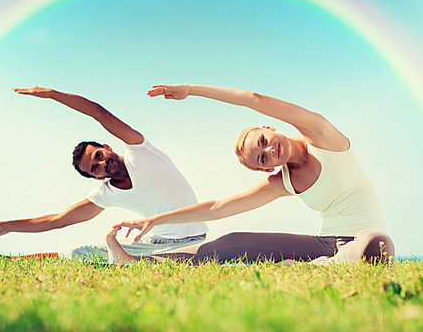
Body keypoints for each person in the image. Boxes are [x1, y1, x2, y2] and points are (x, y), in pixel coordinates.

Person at [111, 84, 395, 265]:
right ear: (266, 169)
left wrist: (190, 89)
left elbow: (254, 98)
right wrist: (153, 220)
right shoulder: (283, 181)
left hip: (363, 239)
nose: (270, 150)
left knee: (376, 243)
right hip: (325, 242)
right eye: (262, 158)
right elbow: (218, 208)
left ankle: (320, 265)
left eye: (262, 141)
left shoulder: (322, 137)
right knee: (232, 241)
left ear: (268, 128)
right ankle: (139, 262)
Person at [0, 86, 208, 260]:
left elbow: (99, 113)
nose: (102, 164)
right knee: (80, 253)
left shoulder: (141, 151)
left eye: (98, 156)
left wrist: (53, 95)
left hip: (191, 241)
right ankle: (3, 261)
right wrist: (6, 226)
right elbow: (59, 220)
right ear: (95, 177)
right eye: (95, 168)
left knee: (140, 260)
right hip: (153, 242)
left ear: (107, 147)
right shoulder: (107, 193)